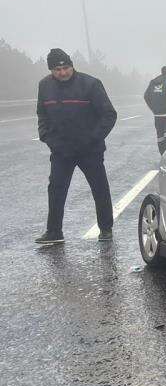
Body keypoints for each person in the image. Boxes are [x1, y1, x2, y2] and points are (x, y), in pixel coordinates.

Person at [35, 48, 117, 244]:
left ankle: (106, 228)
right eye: (57, 69)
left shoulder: (91, 84)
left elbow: (109, 114)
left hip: (90, 150)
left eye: (66, 67)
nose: (63, 73)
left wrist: (93, 138)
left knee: (99, 189)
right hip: (61, 151)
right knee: (56, 189)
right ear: (51, 71)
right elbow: (42, 114)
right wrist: (46, 136)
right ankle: (54, 231)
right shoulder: (44, 86)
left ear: (72, 66)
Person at [143, 65, 166, 154]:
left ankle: (162, 154)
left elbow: (146, 96)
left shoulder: (153, 82)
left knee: (160, 137)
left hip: (157, 115)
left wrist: (154, 109)